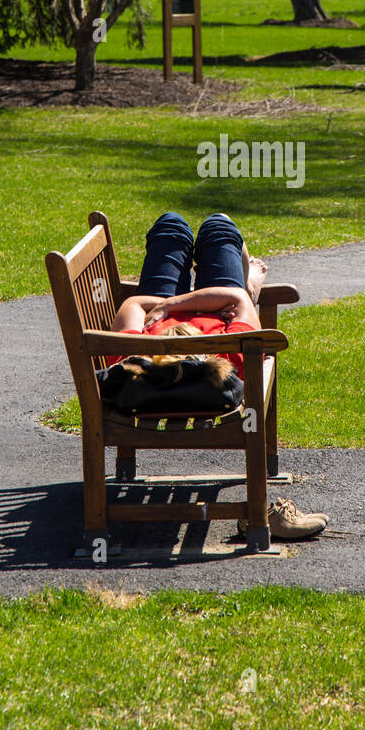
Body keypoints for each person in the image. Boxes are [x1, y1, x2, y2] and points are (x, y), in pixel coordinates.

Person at [108, 212, 329, 541]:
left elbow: (134, 302)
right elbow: (234, 300)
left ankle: (246, 283)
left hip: (201, 314)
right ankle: (252, 283)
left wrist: (179, 307)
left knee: (173, 226)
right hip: (210, 309)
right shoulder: (225, 354)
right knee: (218, 225)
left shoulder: (138, 356)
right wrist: (181, 306)